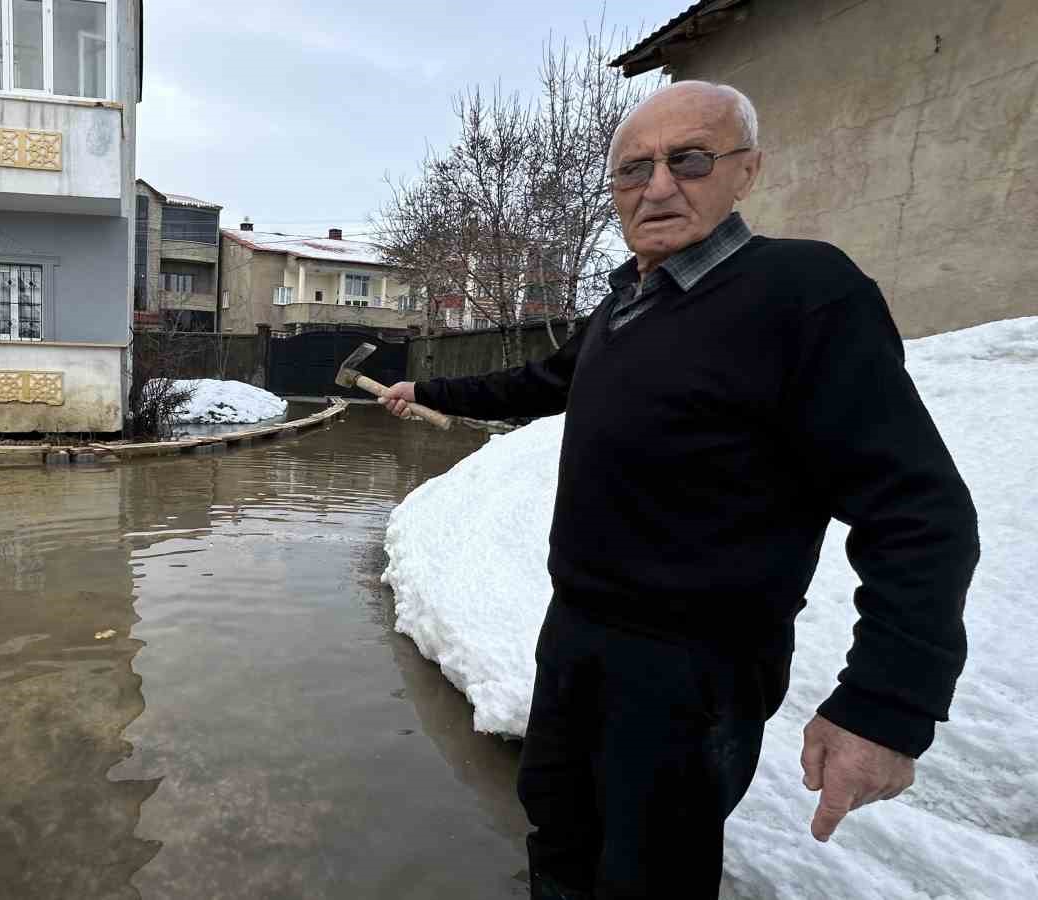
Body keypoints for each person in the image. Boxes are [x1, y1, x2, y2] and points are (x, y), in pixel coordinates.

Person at [381, 81, 979, 899]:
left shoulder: (805, 294)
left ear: (746, 171)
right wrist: (431, 393)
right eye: (633, 170)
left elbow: (920, 513)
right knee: (558, 828)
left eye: (689, 159)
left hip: (693, 672)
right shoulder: (626, 300)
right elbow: (540, 381)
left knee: (650, 872)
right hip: (576, 635)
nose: (658, 186)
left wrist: (885, 707)